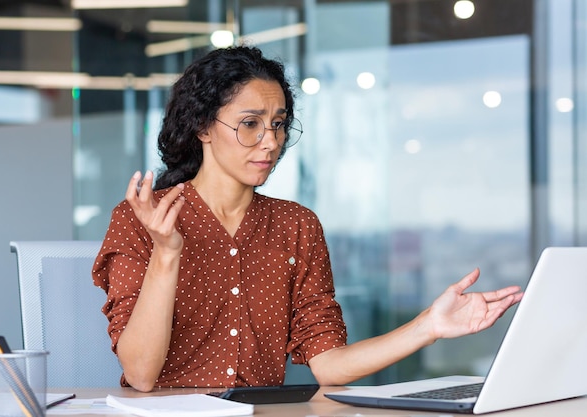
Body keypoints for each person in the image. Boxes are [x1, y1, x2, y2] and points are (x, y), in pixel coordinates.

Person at [92, 45, 523, 392]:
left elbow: (330, 365)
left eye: (279, 124)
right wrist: (167, 253)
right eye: (250, 124)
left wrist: (428, 326)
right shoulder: (142, 218)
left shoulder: (296, 225)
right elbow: (142, 375)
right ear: (203, 127)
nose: (270, 142)